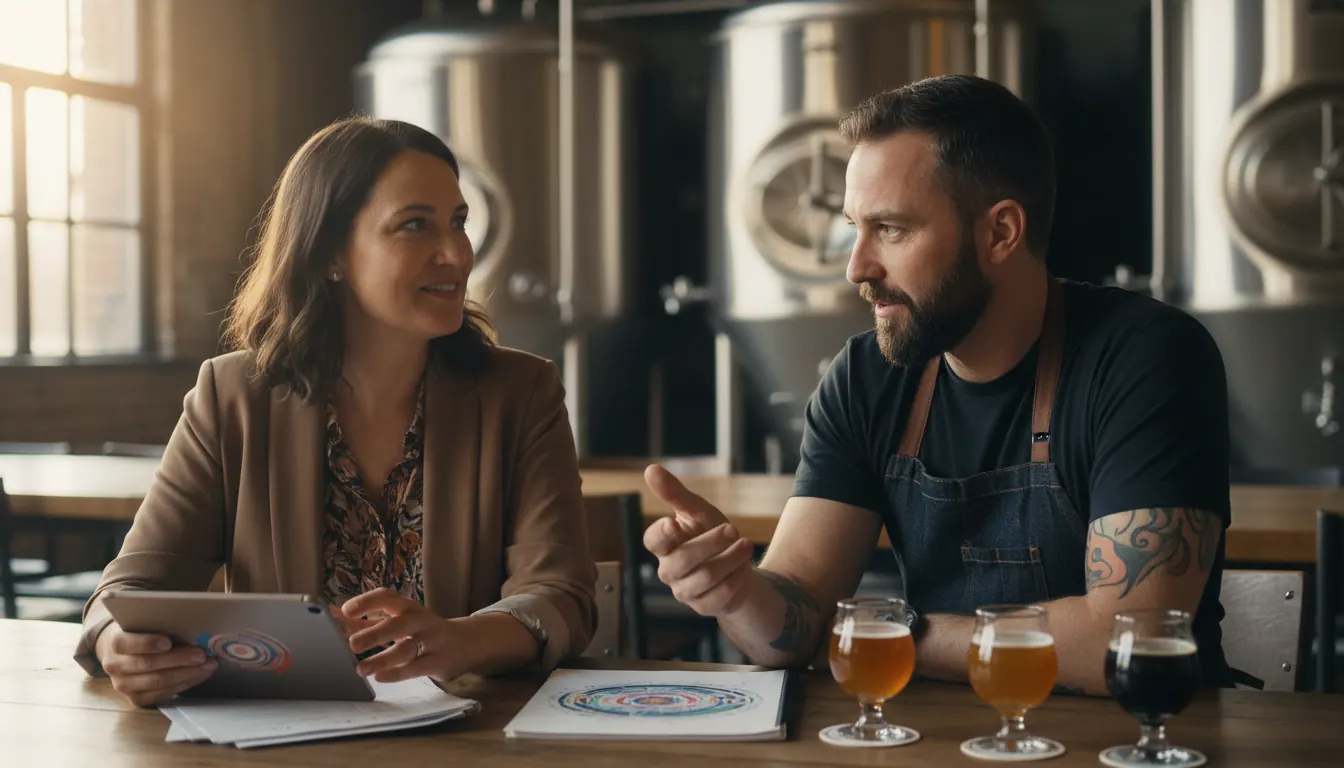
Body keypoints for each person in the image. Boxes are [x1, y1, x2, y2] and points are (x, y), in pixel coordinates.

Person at [643, 74, 1232, 694]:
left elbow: (1125, 642)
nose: (856, 267)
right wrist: (737, 593)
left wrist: (891, 635)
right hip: (935, 743)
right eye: (854, 228)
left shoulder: (1146, 358)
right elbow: (799, 621)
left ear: (1000, 232)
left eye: (891, 230)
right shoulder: (865, 378)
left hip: (1134, 746)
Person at [74, 116, 598, 707]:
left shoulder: (522, 391)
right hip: (285, 741)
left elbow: (561, 597)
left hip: (472, 742)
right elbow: (128, 590)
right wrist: (119, 641)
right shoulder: (232, 396)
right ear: (329, 255)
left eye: (457, 223)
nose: (456, 252)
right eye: (415, 226)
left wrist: (461, 640)